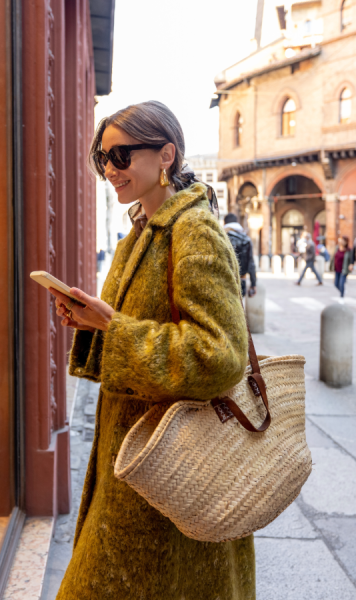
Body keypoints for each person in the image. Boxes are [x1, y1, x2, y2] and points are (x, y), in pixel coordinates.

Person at [50, 101, 255, 599]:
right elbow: (132, 328)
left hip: (176, 472)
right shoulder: (139, 232)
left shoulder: (194, 230)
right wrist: (91, 323)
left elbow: (220, 354)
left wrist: (114, 329)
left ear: (166, 155)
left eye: (121, 156)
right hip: (137, 471)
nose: (110, 170)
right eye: (102, 160)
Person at [223, 213, 257, 296]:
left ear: (225, 223)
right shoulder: (246, 239)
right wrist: (253, 284)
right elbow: (251, 263)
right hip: (241, 280)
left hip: (224, 282)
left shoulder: (222, 237)